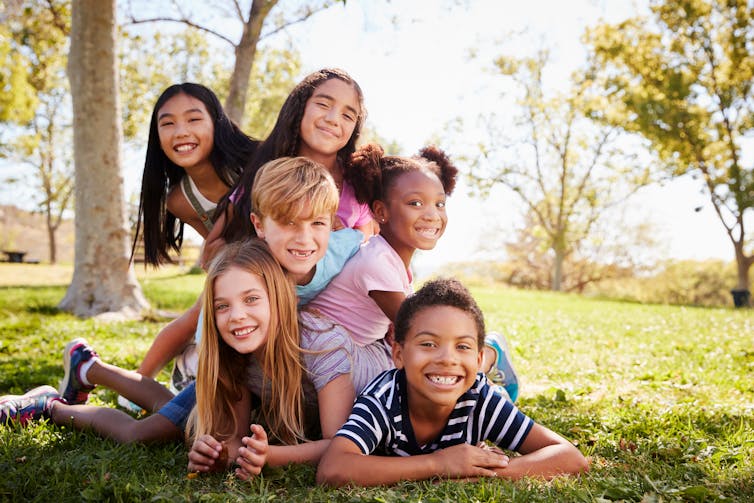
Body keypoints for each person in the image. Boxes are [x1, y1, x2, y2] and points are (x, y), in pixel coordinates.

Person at [0, 158, 360, 459]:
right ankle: (51, 406)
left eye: (317, 224)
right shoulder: (242, 269)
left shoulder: (339, 248)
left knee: (170, 406)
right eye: (288, 222)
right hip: (230, 363)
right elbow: (207, 324)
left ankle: (90, 368)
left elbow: (370, 250)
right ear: (259, 226)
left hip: (272, 369)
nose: (304, 238)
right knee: (151, 431)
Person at [138, 68, 373, 385]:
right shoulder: (269, 168)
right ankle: (167, 373)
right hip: (260, 297)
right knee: (203, 316)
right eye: (324, 104)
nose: (334, 118)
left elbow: (369, 242)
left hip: (320, 311)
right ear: (300, 107)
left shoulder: (356, 185)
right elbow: (220, 239)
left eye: (348, 114)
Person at [316, 278, 590, 487]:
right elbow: (333, 468)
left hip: (477, 392)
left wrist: (485, 472)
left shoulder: (479, 397)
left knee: (499, 399)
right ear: (398, 354)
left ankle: (497, 357)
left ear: (478, 356)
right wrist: (439, 464)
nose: (447, 358)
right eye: (428, 344)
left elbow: (569, 456)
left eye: (463, 346)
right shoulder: (383, 399)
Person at [305, 143, 518, 399]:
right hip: (332, 353)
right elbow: (422, 332)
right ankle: (485, 363)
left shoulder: (393, 262)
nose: (432, 215)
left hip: (354, 352)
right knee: (421, 372)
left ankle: (485, 363)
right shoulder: (376, 262)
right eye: (416, 203)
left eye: (439, 204)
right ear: (381, 211)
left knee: (429, 368)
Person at [132, 82, 258, 266]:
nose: (181, 132)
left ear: (217, 124)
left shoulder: (258, 163)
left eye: (194, 119)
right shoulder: (180, 202)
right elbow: (220, 257)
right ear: (157, 138)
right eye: (167, 123)